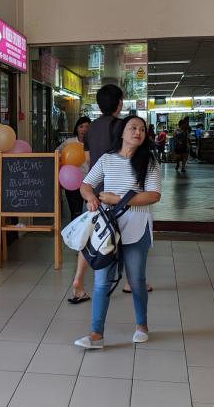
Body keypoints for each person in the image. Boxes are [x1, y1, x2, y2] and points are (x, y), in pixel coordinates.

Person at [74, 115, 162, 349]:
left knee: (136, 280)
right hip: (108, 228)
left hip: (137, 226)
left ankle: (141, 325)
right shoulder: (107, 159)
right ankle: (96, 335)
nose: (138, 132)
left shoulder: (150, 161)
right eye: (132, 128)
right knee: (102, 282)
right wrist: (91, 196)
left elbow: (153, 195)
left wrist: (118, 199)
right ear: (122, 133)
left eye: (142, 129)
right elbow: (85, 185)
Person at [70, 85, 123, 303]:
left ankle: (79, 280)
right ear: (119, 102)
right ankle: (130, 282)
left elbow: (91, 160)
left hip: (94, 188)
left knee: (89, 237)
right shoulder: (121, 126)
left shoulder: (90, 129)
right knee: (124, 237)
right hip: (116, 191)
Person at [56, 116, 91, 220]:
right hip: (72, 182)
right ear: (77, 128)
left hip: (90, 181)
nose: (84, 129)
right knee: (76, 214)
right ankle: (75, 235)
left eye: (87, 127)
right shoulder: (69, 142)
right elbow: (56, 154)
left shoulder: (94, 143)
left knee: (93, 212)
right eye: (81, 126)